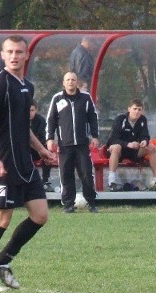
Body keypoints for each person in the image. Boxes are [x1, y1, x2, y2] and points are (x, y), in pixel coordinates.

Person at [0, 35, 55, 293]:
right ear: (2, 55)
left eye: (19, 51)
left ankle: (4, 261)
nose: (14, 56)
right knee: (1, 219)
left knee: (41, 215)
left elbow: (23, 126)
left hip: (25, 163)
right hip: (4, 164)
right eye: (9, 51)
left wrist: (41, 149)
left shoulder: (26, 86)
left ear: (26, 55)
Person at [46, 72, 99, 213]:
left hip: (82, 144)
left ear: (77, 82)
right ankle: (68, 204)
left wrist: (95, 136)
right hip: (64, 144)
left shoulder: (86, 98)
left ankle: (92, 203)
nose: (70, 82)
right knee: (66, 174)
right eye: (68, 80)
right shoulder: (57, 98)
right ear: (63, 82)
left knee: (86, 173)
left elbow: (93, 117)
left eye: (73, 80)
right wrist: (50, 138)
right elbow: (51, 120)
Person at [105, 98, 156, 191]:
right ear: (129, 109)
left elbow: (146, 135)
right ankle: (111, 182)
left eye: (139, 109)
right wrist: (128, 144)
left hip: (134, 151)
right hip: (118, 150)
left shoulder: (142, 119)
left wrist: (144, 141)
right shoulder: (120, 119)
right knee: (116, 147)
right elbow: (113, 139)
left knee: (151, 147)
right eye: (135, 109)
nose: (137, 112)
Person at [29, 100, 53, 192]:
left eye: (32, 110)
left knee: (48, 152)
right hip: (23, 150)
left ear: (36, 110)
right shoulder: (20, 120)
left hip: (37, 148)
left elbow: (41, 137)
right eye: (28, 110)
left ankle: (45, 181)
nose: (30, 113)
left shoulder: (40, 120)